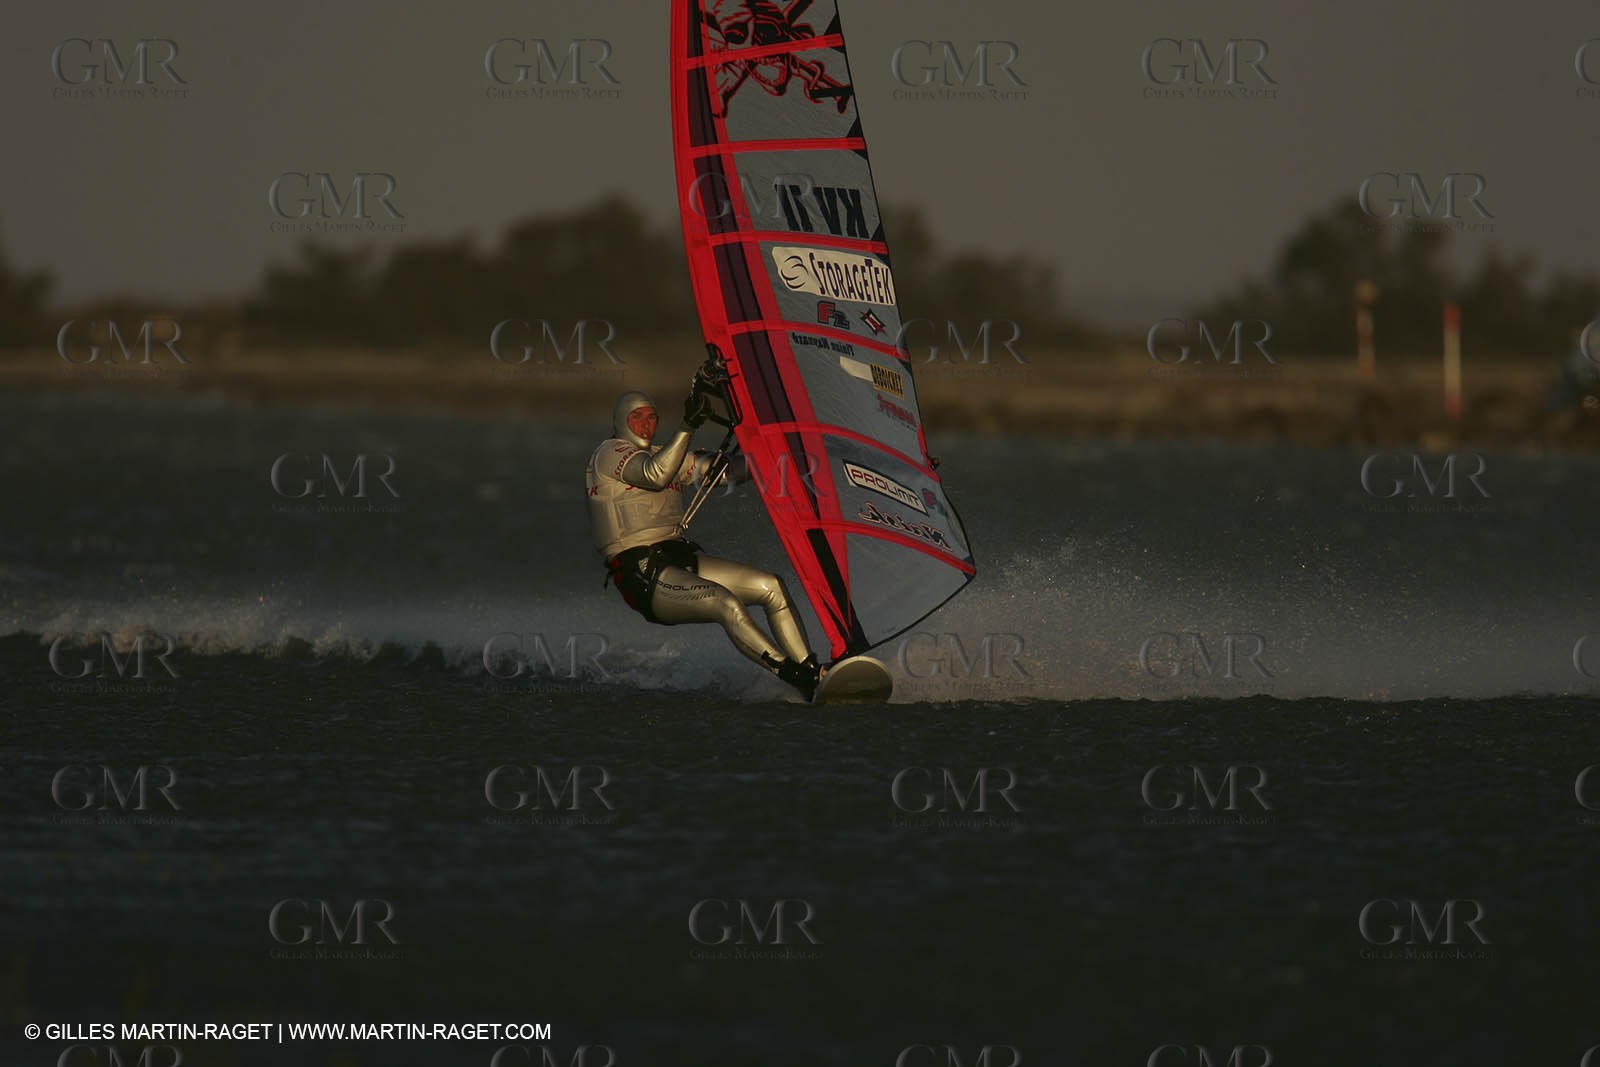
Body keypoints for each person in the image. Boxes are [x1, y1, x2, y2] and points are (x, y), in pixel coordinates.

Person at [585, 374, 822, 699]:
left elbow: (722, 473)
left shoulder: (664, 454)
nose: (645, 425)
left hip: (677, 561)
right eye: (636, 418)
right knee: (726, 603)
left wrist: (775, 455)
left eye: (652, 417)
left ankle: (813, 671)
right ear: (620, 421)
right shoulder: (609, 454)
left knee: (772, 587)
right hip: (642, 575)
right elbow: (655, 475)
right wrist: (688, 425)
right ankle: (794, 675)